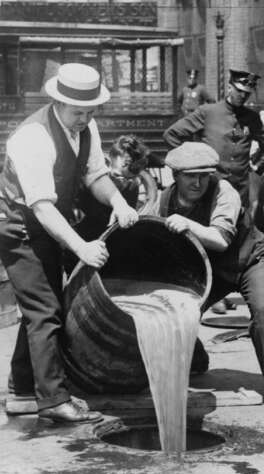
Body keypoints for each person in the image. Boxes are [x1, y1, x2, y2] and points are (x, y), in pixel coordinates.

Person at [0, 63, 138, 423]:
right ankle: (54, 401)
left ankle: (21, 390)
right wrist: (82, 247)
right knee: (46, 311)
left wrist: (118, 201)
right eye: (78, 111)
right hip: (20, 227)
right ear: (57, 102)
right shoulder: (32, 138)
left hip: (49, 222)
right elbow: (42, 208)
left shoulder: (86, 126)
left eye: (90, 110)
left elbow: (96, 175)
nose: (85, 118)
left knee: (39, 308)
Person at [149, 142, 264, 416]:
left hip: (249, 259)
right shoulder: (165, 199)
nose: (198, 182)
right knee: (179, 310)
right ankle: (196, 357)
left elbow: (221, 239)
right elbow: (150, 231)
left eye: (204, 175)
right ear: (175, 175)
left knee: (263, 312)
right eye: (190, 175)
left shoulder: (224, 191)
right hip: (213, 268)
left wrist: (188, 223)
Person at [163, 69, 264, 208]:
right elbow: (171, 134)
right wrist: (189, 163)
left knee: (241, 226)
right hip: (210, 187)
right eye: (239, 91)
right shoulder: (208, 112)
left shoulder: (252, 118)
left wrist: (257, 167)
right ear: (229, 88)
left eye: (247, 93)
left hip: (240, 188)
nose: (243, 95)